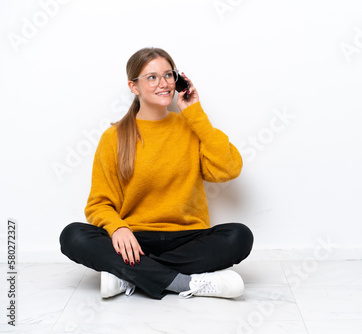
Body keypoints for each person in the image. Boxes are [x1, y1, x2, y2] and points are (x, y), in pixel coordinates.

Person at [59, 47, 253, 300]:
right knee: (73, 235)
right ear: (134, 86)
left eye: (168, 75)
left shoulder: (190, 125)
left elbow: (229, 169)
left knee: (239, 236)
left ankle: (128, 275)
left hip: (187, 238)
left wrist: (194, 112)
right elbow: (99, 204)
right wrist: (118, 229)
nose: (164, 84)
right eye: (152, 77)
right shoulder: (114, 137)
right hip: (133, 241)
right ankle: (185, 283)